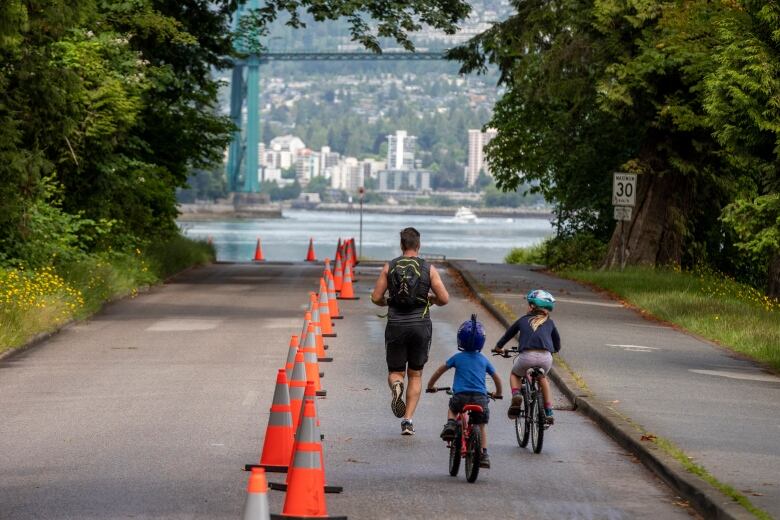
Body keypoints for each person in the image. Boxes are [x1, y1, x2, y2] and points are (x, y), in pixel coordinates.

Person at [371, 227, 449, 435]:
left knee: (396, 372)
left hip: (396, 324)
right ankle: (408, 420)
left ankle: (397, 385)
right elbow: (444, 299)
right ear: (418, 245)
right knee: (415, 374)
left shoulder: (390, 267)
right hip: (420, 325)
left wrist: (389, 301)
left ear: (401, 245)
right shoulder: (428, 268)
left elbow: (376, 297)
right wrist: (430, 299)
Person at [427, 315, 502, 468]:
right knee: (480, 426)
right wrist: (498, 392)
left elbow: (439, 371)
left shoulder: (457, 357)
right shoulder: (484, 360)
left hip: (460, 397)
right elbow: (496, 378)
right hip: (480, 399)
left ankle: (450, 425)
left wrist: (431, 385)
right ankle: (484, 454)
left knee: (453, 409)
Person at [492, 289, 560, 424]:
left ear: (533, 306)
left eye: (529, 304)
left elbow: (507, 335)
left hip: (526, 357)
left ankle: (516, 394)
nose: (527, 306)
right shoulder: (550, 323)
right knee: (543, 379)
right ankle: (548, 411)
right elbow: (557, 344)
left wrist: (498, 348)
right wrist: (553, 350)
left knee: (515, 374)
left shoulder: (522, 320)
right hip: (546, 358)